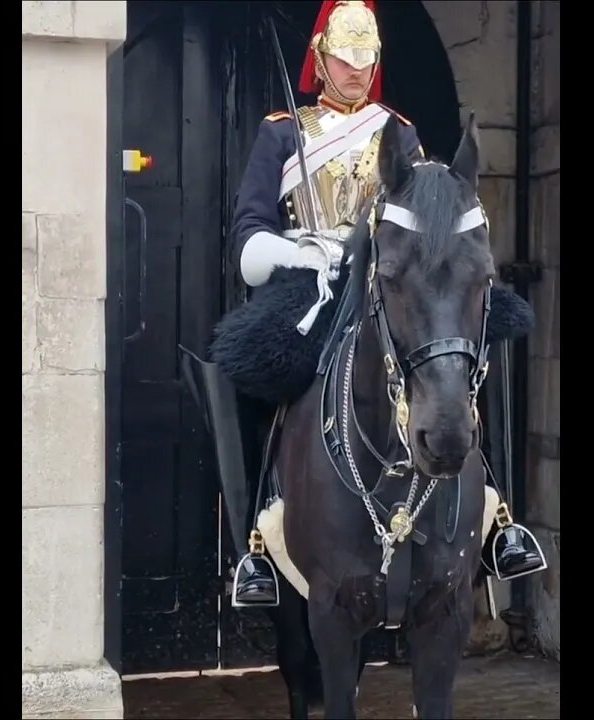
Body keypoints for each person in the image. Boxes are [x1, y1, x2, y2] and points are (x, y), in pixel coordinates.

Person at [186, 0, 538, 609]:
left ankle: (499, 517)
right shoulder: (283, 130)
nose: (355, 71)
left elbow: (427, 216)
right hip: (311, 282)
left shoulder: (398, 131)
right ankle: (254, 540)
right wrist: (299, 256)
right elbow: (248, 234)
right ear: (321, 58)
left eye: (365, 60)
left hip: (387, 278)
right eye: (344, 60)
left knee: (488, 329)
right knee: (251, 360)